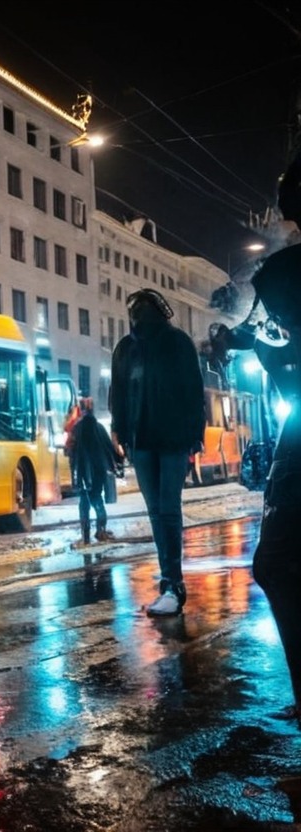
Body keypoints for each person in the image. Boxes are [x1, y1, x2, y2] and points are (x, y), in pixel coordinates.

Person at [210, 241, 301, 726]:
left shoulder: (284, 272)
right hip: (298, 425)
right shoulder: (276, 280)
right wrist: (230, 338)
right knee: (278, 564)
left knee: (281, 562)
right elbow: (257, 332)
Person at [108, 288, 205, 617]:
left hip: (167, 439)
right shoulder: (128, 349)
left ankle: (173, 584)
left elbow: (192, 390)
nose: (139, 318)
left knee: (164, 510)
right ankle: (170, 584)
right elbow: (119, 392)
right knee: (161, 511)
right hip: (146, 441)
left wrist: (194, 434)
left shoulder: (173, 343)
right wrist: (119, 430)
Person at [65, 396, 120, 546]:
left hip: (83, 471)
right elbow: (110, 448)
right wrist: (116, 464)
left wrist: (73, 468)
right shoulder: (99, 428)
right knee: (97, 498)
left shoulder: (76, 428)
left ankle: (86, 535)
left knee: (84, 502)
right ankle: (101, 530)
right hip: (99, 470)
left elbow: (70, 450)